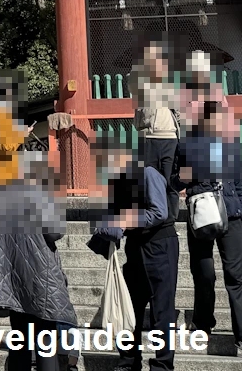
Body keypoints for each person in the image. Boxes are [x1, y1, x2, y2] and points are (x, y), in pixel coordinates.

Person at [0, 150, 76, 371]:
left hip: (11, 276)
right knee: (45, 336)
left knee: (20, 337)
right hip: (40, 272)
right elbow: (55, 231)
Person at [88, 136, 179, 371]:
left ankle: (162, 364)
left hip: (160, 245)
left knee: (162, 310)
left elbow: (160, 212)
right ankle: (129, 360)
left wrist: (127, 220)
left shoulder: (148, 174)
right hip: (135, 249)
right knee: (129, 306)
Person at [176, 100, 242, 348]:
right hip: (201, 212)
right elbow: (175, 181)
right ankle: (203, 323)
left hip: (232, 214)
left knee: (236, 276)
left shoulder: (230, 143)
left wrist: (239, 207)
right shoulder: (184, 146)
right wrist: (187, 175)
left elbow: (239, 180)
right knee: (203, 273)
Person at [133, 38, 180, 182]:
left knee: (170, 182)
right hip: (149, 138)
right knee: (150, 181)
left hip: (168, 137)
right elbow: (138, 114)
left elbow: (178, 110)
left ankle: (171, 206)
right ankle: (154, 205)